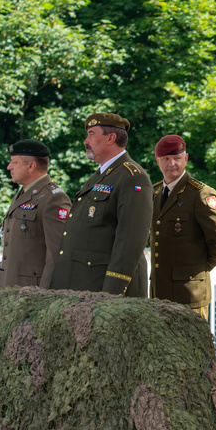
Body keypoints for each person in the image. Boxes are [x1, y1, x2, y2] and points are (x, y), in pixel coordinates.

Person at [50, 113, 152, 296]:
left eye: (91, 133)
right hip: (86, 288)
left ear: (111, 138)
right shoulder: (101, 175)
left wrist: (111, 293)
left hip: (104, 292)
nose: (85, 141)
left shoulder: (133, 176)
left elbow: (131, 241)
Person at [150, 134, 216, 319]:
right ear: (158, 161)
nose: (172, 164)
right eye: (166, 159)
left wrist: (199, 268)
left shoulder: (200, 194)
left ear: (185, 159)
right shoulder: (154, 193)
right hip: (159, 292)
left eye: (177, 158)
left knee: (191, 347)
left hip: (189, 293)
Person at [0, 139, 71, 288]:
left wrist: (44, 295)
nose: (9, 167)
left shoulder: (54, 198)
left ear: (31, 166)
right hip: (11, 289)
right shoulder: (23, 194)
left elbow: (57, 255)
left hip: (32, 293)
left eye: (14, 162)